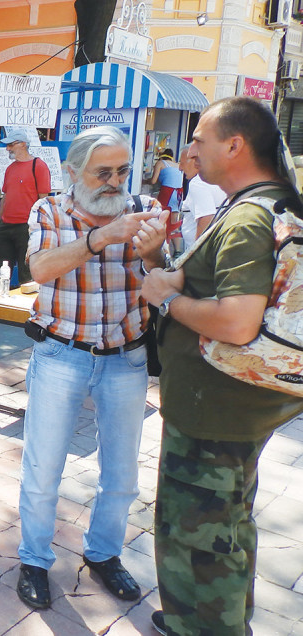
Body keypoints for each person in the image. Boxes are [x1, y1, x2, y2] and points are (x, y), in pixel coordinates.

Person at [141, 96, 303, 635]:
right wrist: (160, 266)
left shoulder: (250, 218)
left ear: (234, 145)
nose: (190, 149)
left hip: (215, 413)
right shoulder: (269, 204)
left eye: (200, 139)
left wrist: (165, 300)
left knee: (201, 535)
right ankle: (200, 618)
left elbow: (235, 322)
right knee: (226, 525)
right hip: (233, 408)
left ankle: (208, 627)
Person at [16, 126, 167, 610]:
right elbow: (39, 269)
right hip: (62, 353)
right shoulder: (49, 210)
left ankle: (104, 554)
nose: (115, 181)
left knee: (121, 473)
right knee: (44, 467)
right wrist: (100, 238)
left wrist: (156, 253)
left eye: (123, 170)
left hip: (126, 355)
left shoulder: (143, 210)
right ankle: (34, 560)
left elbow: (162, 280)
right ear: (74, 172)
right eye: (104, 172)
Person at [0, 129, 51, 294]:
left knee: (26, 272)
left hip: (27, 226)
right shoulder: (10, 168)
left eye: (10, 145)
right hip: (6, 225)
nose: (8, 148)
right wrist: (1, 220)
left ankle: (27, 311)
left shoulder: (39, 166)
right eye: (7, 145)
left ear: (23, 144)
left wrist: (38, 226)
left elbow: (44, 199)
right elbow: (5, 196)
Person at [174, 143, 224, 255]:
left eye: (182, 163)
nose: (180, 168)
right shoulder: (218, 179)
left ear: (194, 161)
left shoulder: (198, 183)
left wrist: (197, 255)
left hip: (201, 254)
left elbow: (206, 218)